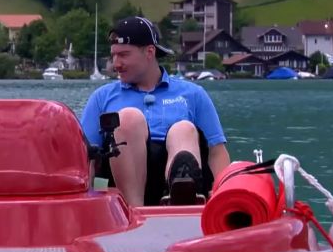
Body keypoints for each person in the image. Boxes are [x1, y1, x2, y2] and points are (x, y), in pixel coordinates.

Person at [80, 16, 230, 206]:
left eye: (124, 55)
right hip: (123, 178)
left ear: (149, 52)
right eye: (114, 55)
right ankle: (135, 211)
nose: (116, 64)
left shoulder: (193, 94)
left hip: (174, 173)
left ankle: (181, 195)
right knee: (127, 118)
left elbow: (216, 152)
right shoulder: (102, 98)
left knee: (183, 129)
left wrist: (225, 195)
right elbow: (85, 158)